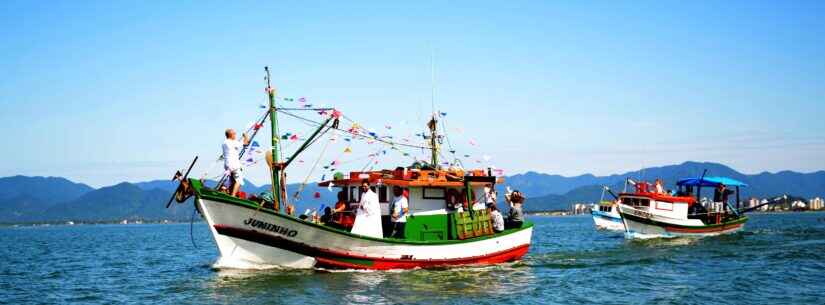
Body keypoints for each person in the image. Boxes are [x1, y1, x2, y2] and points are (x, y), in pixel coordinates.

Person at [222, 128, 250, 197]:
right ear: (231, 135)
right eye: (234, 134)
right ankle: (233, 195)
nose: (235, 135)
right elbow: (246, 143)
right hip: (234, 165)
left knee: (232, 181)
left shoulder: (224, 142)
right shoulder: (232, 142)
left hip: (227, 165)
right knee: (239, 180)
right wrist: (245, 136)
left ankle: (230, 193)